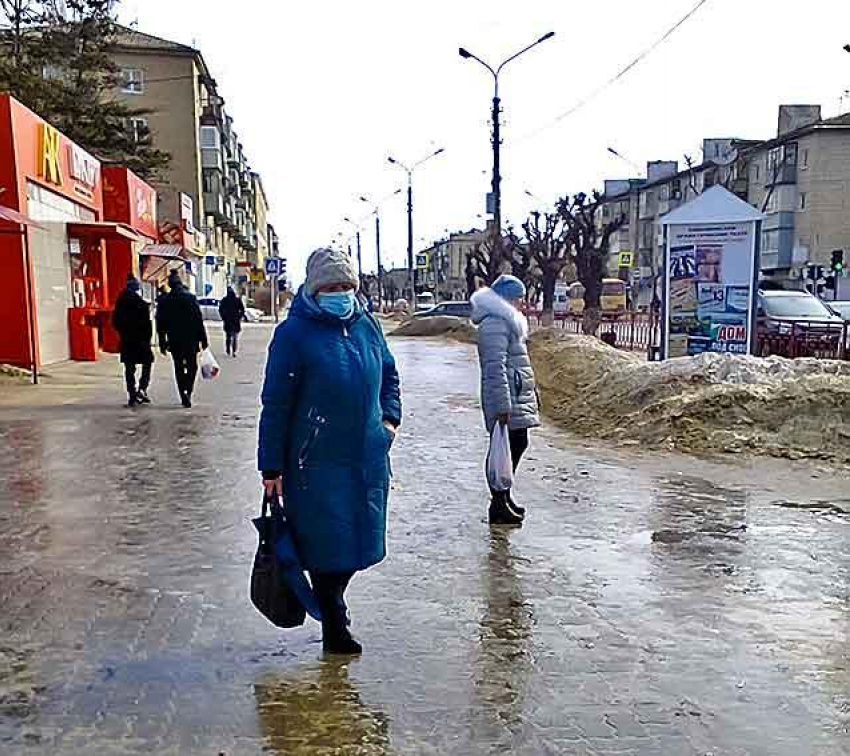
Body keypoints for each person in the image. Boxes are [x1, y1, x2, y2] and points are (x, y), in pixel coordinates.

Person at [258, 248, 401, 655]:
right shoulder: (293, 335)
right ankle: (334, 624)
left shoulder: (366, 325)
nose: (341, 294)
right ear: (314, 289)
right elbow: (276, 404)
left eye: (346, 286)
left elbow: (389, 375)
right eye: (332, 287)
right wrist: (271, 465)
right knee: (325, 545)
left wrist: (389, 422)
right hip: (314, 463)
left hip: (368, 458)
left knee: (359, 541)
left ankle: (332, 606)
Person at [471, 274, 540, 526]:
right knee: (505, 448)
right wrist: (502, 405)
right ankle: (498, 503)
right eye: (519, 299)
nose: (523, 303)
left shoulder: (507, 322)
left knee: (516, 444)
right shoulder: (495, 324)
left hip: (515, 394)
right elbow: (494, 367)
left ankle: (504, 497)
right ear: (507, 299)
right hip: (506, 399)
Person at [156, 269, 209, 408]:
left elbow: (160, 324)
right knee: (193, 367)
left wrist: (162, 342)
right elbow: (198, 320)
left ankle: (182, 394)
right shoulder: (190, 298)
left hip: (174, 340)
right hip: (191, 340)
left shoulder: (165, 301)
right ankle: (188, 390)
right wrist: (203, 340)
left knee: (178, 367)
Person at [112, 274, 154, 407]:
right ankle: (142, 388)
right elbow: (148, 325)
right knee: (147, 363)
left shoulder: (120, 303)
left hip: (127, 341)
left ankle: (132, 395)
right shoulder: (141, 304)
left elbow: (115, 321)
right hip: (141, 341)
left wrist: (123, 333)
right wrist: (147, 339)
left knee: (129, 369)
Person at [218, 286, 246, 357]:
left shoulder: (224, 300)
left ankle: (228, 350)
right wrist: (239, 316)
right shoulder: (237, 300)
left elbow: (220, 309)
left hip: (228, 321)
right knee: (235, 337)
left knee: (228, 337)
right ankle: (234, 351)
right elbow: (242, 309)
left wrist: (223, 317)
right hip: (235, 321)